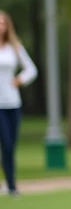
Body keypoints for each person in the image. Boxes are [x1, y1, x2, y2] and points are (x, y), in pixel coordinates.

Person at [0, 11, 37, 196]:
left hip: (12, 103)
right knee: (4, 142)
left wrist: (19, 80)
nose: (0, 26)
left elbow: (31, 70)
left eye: (3, 23)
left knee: (9, 146)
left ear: (8, 26)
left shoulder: (14, 48)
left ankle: (11, 185)